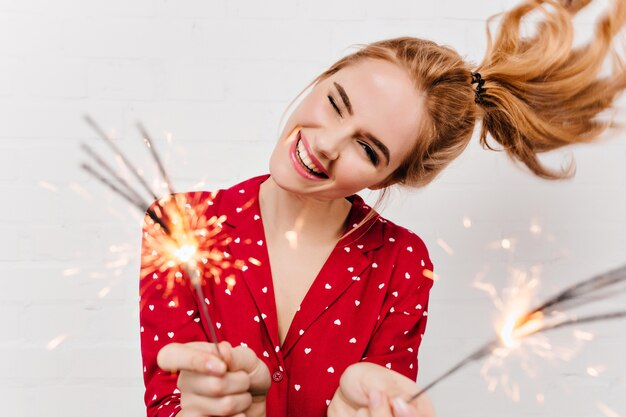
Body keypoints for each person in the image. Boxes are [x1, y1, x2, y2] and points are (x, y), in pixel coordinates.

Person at [139, 0, 626, 416]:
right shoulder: (179, 226)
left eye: (368, 149)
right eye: (335, 102)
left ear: (392, 177)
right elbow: (164, 402)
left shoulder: (403, 265)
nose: (326, 144)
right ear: (321, 80)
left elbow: (381, 399)